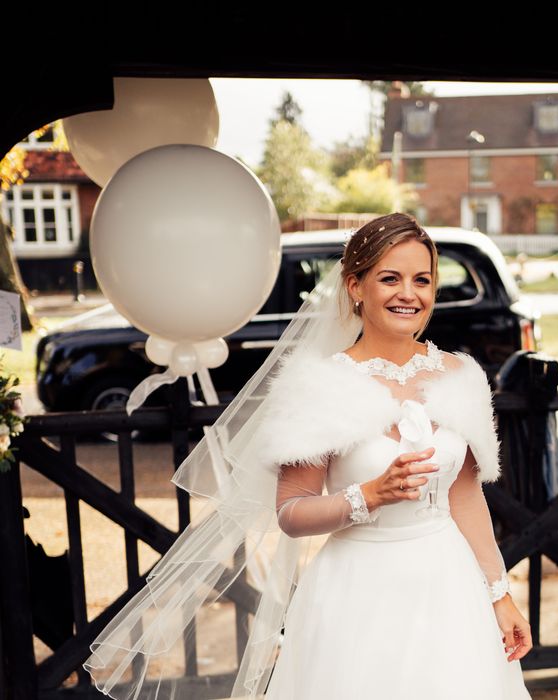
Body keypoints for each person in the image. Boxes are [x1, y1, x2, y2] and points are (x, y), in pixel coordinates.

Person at [83, 213, 532, 699]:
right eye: (390, 278)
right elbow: (291, 513)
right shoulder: (317, 385)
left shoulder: (459, 375)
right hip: (359, 594)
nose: (410, 293)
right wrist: (368, 495)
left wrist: (499, 594)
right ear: (356, 286)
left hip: (450, 587)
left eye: (422, 280)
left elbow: (466, 497)